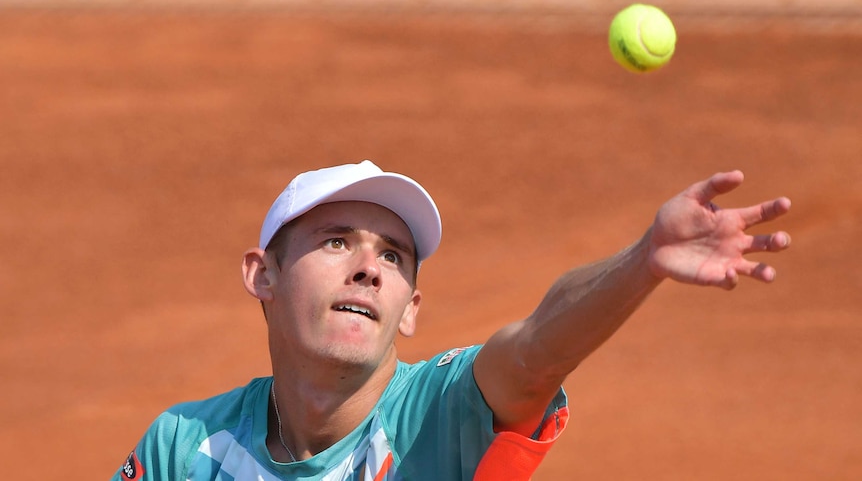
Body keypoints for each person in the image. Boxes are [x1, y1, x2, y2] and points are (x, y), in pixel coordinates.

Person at [112, 160, 791, 481]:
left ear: (410, 309)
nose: (368, 266)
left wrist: (644, 260)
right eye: (335, 240)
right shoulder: (184, 446)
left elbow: (535, 351)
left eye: (393, 255)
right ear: (263, 274)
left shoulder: (442, 413)